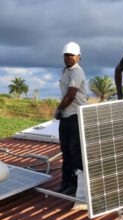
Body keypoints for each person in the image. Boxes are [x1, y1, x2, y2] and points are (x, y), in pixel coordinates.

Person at [54, 42, 88, 209]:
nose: (68, 57)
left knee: (75, 152)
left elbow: (71, 95)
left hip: (76, 117)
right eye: (66, 55)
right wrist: (61, 111)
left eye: (71, 55)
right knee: (65, 150)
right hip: (66, 117)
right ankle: (66, 183)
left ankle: (76, 186)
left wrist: (59, 108)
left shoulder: (77, 72)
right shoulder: (66, 71)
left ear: (78, 57)